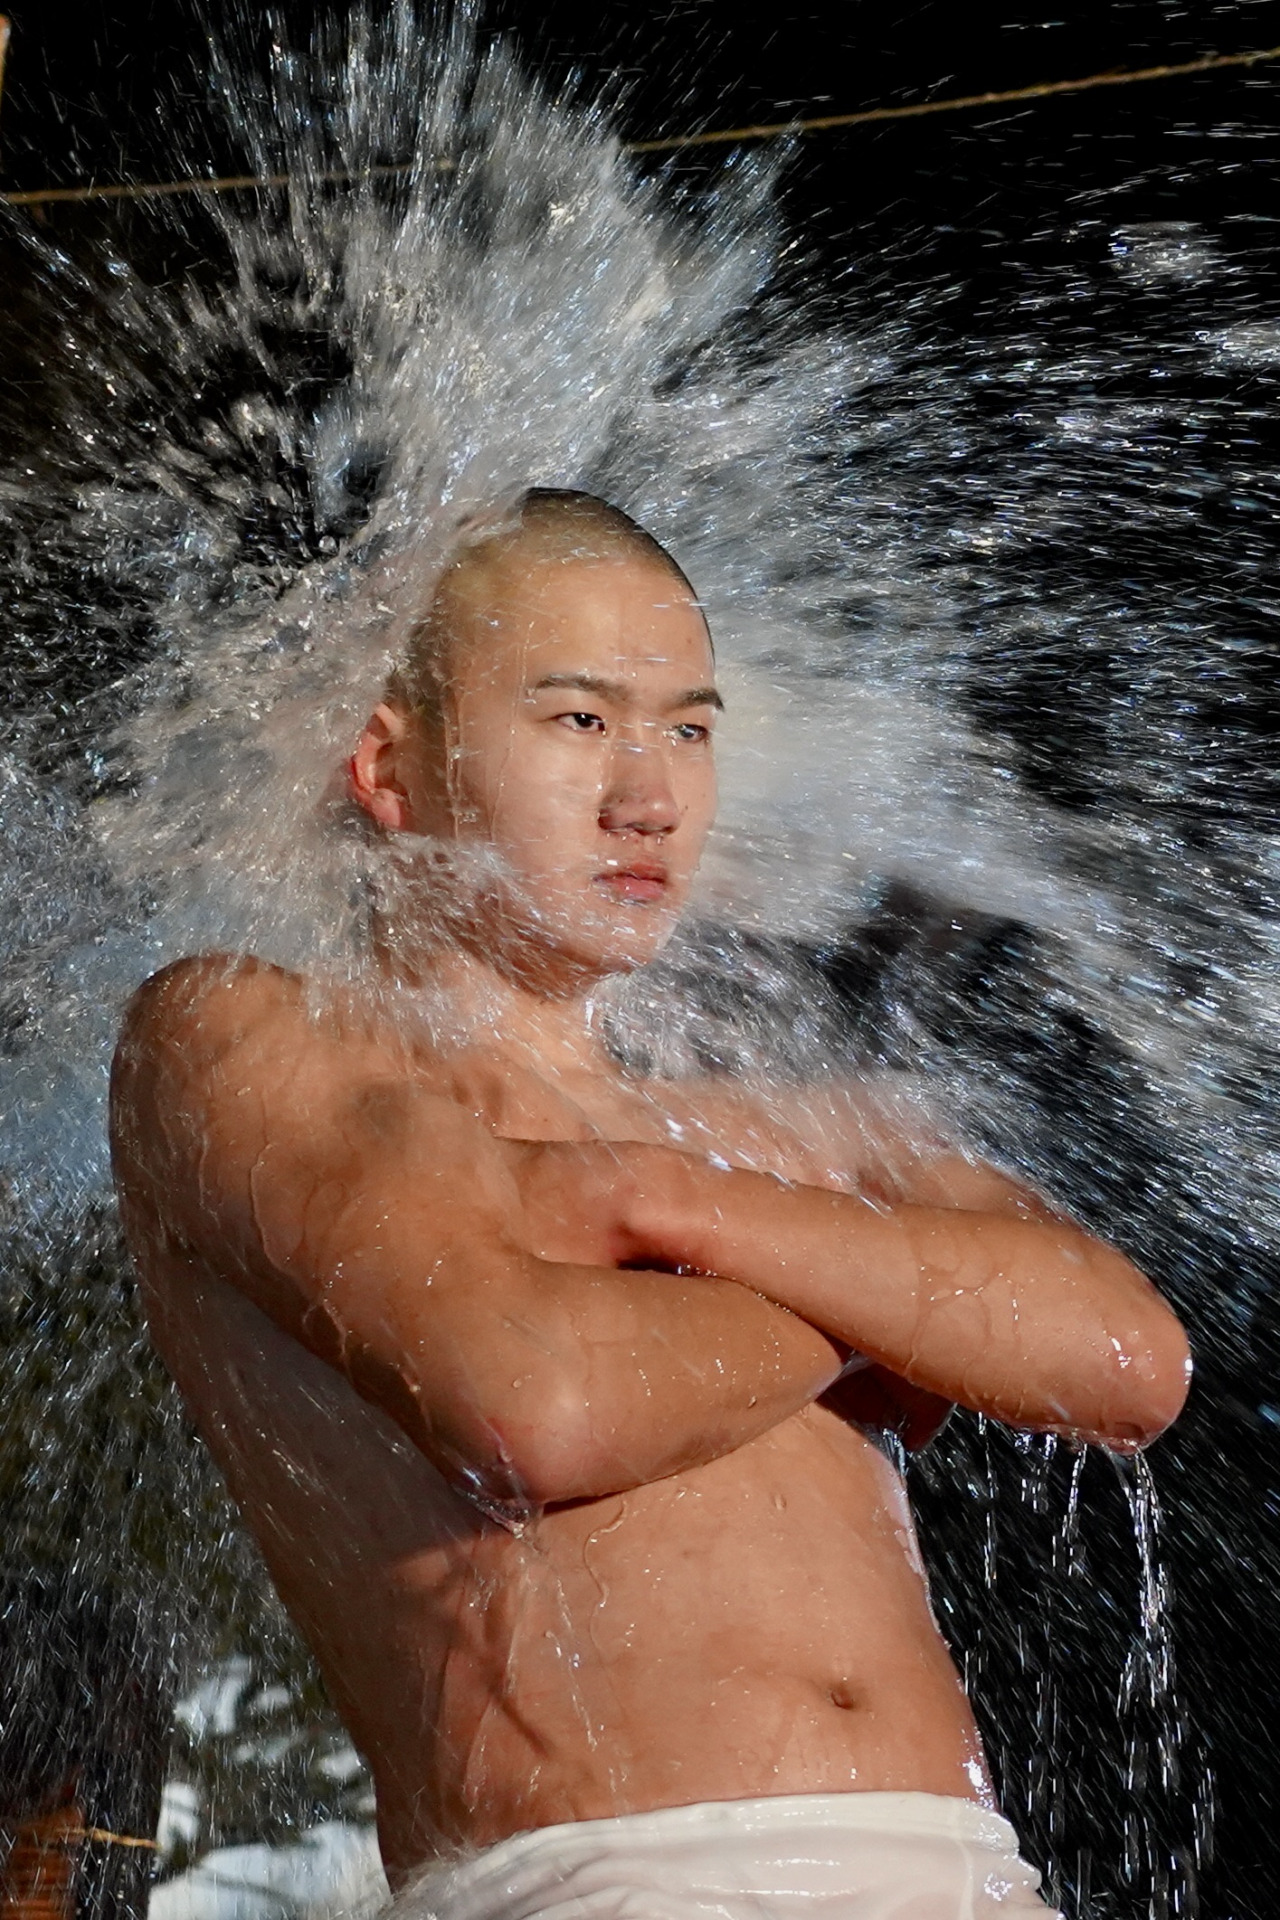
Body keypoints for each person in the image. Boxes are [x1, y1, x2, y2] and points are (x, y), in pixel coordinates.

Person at [110, 490, 1191, 1919]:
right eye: (578, 723)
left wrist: (684, 1209)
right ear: (391, 766)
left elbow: (1126, 1357)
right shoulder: (239, 1038)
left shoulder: (779, 1122)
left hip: (973, 1879)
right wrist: (889, 1311)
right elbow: (534, 1404)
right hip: (614, 1882)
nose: (651, 795)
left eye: (689, 727)